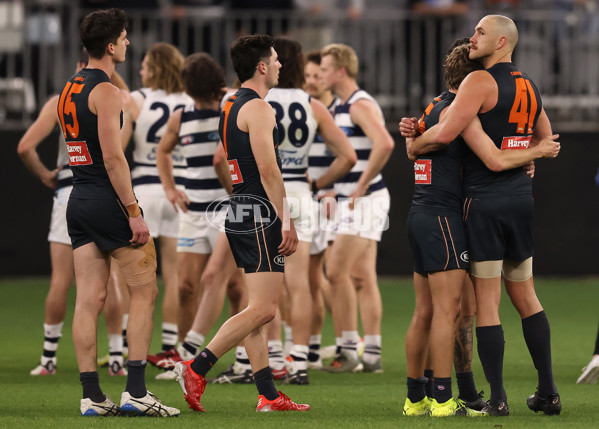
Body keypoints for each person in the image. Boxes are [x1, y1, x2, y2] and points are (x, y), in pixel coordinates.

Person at [403, 15, 561, 416]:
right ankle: (548, 393)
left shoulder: (476, 83)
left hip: (482, 202)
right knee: (526, 295)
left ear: (502, 41)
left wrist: (413, 143)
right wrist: (531, 157)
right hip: (521, 201)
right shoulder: (530, 84)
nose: (472, 37)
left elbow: (443, 136)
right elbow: (547, 137)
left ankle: (496, 399)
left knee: (484, 306)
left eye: (480, 32)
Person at [173, 34, 309, 413]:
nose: (281, 65)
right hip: (261, 213)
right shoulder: (261, 110)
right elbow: (268, 169)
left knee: (257, 310)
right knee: (265, 309)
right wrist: (286, 220)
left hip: (241, 208)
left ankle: (267, 395)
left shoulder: (231, 104)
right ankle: (195, 367)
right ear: (262, 66)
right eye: (276, 60)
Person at [57, 8, 178, 416]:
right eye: (124, 38)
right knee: (145, 291)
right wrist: (133, 211)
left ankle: (92, 397)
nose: (128, 43)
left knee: (88, 299)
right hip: (108, 199)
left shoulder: (70, 87)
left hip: (78, 200)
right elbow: (113, 157)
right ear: (110, 46)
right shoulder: (108, 91)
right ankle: (137, 393)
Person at [18, 50, 129, 378]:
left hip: (69, 189)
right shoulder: (111, 95)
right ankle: (118, 356)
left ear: (79, 65)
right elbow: (116, 152)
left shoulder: (60, 100)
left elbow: (24, 146)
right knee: (110, 281)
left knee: (62, 280)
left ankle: (48, 358)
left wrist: (44, 174)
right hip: (103, 190)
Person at [264, 37, 356, 385]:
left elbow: (221, 159)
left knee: (263, 285)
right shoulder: (312, 104)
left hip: (265, 196)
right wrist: (317, 185)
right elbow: (348, 156)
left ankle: (273, 358)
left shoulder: (257, 101)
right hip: (302, 196)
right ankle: (299, 363)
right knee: (301, 284)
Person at [154, 52, 247, 381]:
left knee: (236, 287)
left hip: (227, 209)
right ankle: (186, 356)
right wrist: (169, 189)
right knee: (185, 287)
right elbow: (162, 151)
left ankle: (242, 359)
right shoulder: (180, 116)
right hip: (194, 212)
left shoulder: (230, 106)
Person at [318, 43, 395, 373]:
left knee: (335, 272)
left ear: (341, 71)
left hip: (366, 199)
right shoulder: (338, 107)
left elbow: (386, 143)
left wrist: (361, 183)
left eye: (324, 68)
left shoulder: (358, 104)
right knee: (362, 276)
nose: (320, 74)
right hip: (353, 199)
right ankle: (372, 353)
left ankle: (349, 350)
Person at [121, 42, 192, 362]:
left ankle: (126, 346)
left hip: (144, 192)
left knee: (135, 276)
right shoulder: (189, 100)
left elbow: (119, 146)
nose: (140, 70)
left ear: (157, 69)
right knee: (176, 275)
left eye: (146, 65)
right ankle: (169, 347)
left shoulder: (138, 99)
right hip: (178, 191)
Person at [303, 49, 339, 367]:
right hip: (302, 198)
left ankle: (318, 346)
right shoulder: (303, 108)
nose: (312, 81)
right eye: (308, 76)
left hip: (320, 200)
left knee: (315, 278)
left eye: (317, 75)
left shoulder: (329, 112)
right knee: (311, 279)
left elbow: (346, 157)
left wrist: (329, 189)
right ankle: (308, 348)